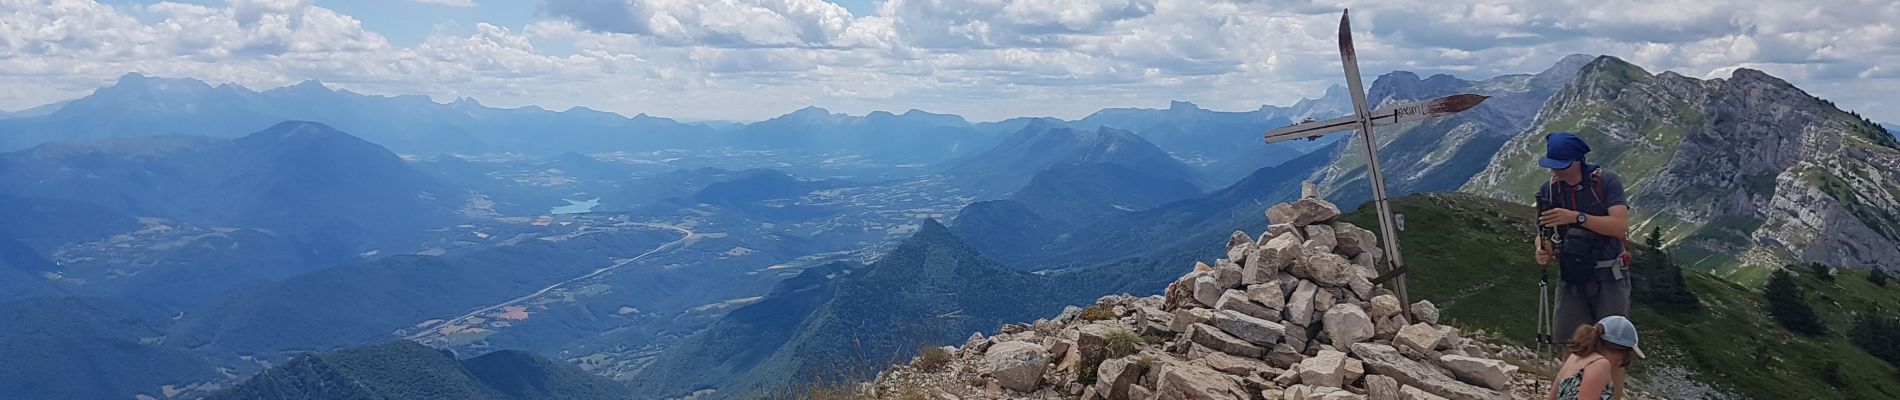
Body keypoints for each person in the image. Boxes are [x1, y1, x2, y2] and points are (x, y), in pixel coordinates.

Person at [1532, 132, 1632, 344]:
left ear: (1578, 161)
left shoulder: (1606, 181)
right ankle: (1572, 378)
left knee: (1612, 343)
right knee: (1572, 341)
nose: (1555, 169)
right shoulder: (1549, 190)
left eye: (1562, 164)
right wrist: (1543, 248)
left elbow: (1620, 226)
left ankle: (1609, 378)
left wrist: (1577, 218)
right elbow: (1544, 232)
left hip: (1608, 273)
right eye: (1553, 164)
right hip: (1571, 274)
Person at [1547, 315, 1644, 400]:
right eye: (1624, 358)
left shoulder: (1574, 357)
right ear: (1620, 350)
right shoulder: (1600, 364)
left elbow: (1552, 397)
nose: (1620, 364)